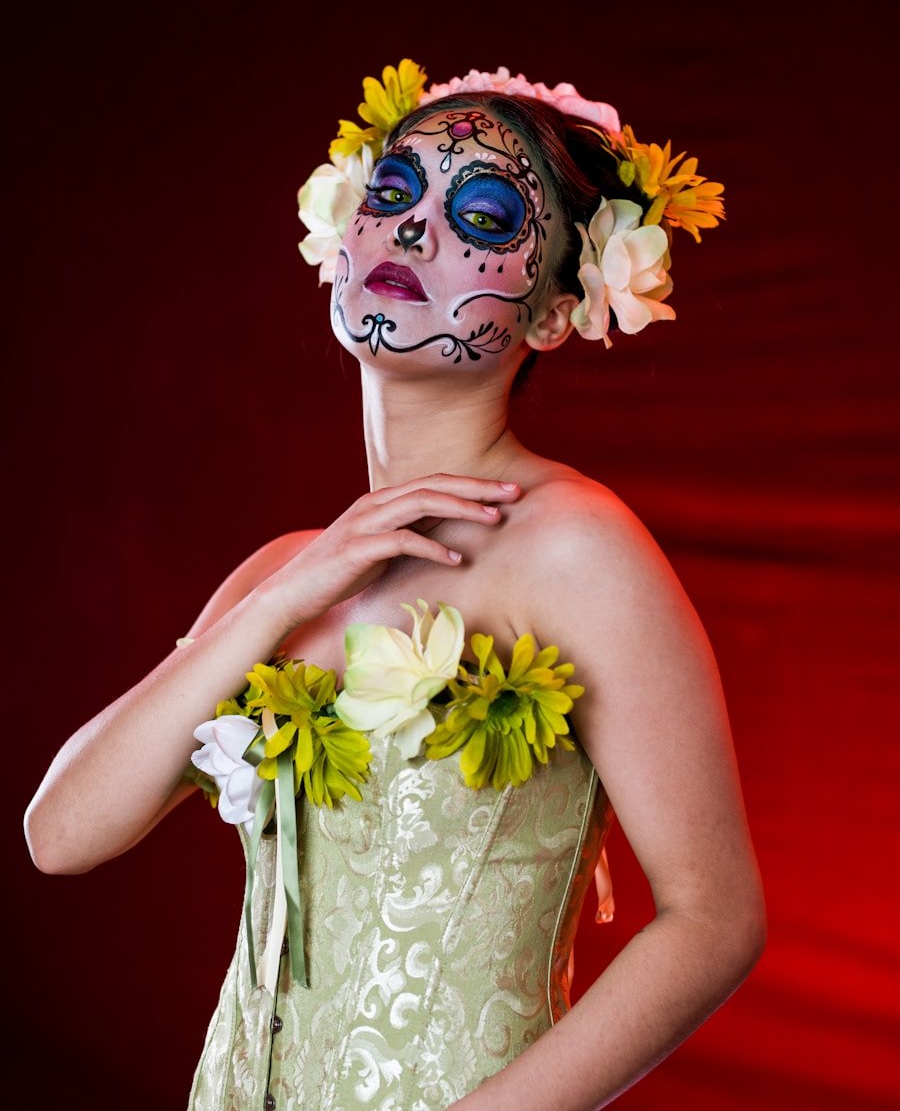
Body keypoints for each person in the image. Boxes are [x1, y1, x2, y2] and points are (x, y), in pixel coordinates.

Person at [24, 61, 766, 1111]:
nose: (415, 229)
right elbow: (60, 835)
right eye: (392, 192)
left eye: (482, 214)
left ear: (556, 314)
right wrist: (282, 599)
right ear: (342, 236)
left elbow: (714, 917)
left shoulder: (576, 547)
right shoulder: (286, 572)